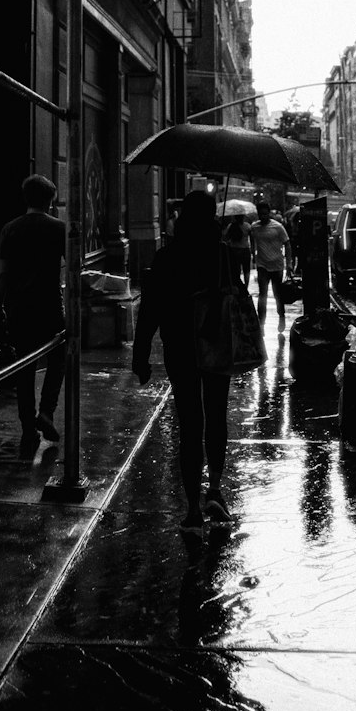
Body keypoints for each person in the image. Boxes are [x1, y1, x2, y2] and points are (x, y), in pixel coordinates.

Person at [132, 190, 233, 536]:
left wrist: (140, 354)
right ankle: (215, 490)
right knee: (216, 416)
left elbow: (150, 310)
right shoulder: (222, 254)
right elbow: (236, 300)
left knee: (190, 423)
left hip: (181, 348)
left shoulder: (166, 257)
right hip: (217, 346)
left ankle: (192, 506)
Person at [0, 174, 67, 458]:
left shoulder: (10, 229)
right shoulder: (59, 228)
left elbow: (2, 272)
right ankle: (47, 410)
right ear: (50, 200)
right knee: (58, 357)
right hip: (49, 305)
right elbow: (74, 267)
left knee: (24, 366)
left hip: (19, 308)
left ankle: (28, 427)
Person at [250, 200, 292, 333]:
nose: (262, 216)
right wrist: (253, 253)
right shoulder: (254, 227)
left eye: (264, 213)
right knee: (262, 295)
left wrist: (289, 264)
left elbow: (287, 243)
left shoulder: (278, 227)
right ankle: (260, 323)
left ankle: (282, 317)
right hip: (262, 266)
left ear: (269, 213)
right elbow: (252, 240)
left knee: (277, 294)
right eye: (260, 214)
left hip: (277, 266)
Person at [222, 211, 252, 286]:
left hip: (234, 250)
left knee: (236, 271)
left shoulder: (231, 226)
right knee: (246, 270)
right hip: (245, 250)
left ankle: (238, 286)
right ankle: (246, 286)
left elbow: (226, 237)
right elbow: (252, 239)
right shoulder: (247, 226)